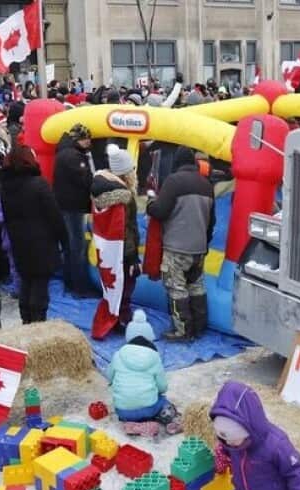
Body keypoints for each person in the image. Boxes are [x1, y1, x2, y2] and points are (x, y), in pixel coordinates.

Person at [146, 146, 214, 340]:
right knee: (196, 286)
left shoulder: (173, 182)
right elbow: (212, 221)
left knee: (176, 287)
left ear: (177, 163)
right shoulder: (206, 185)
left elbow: (160, 210)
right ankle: (200, 326)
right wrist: (205, 243)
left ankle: (183, 330)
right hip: (198, 248)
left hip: (177, 246)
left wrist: (151, 203)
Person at [0, 145, 61, 323]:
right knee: (40, 285)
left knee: (26, 281)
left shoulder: (5, 188)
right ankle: (37, 323)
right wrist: (62, 239)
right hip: (41, 243)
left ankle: (26, 320)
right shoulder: (39, 185)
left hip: (18, 243)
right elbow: (54, 215)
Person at [91, 144, 142, 337]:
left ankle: (112, 316)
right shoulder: (124, 198)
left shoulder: (100, 191)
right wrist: (133, 258)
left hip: (106, 252)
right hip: (122, 252)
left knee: (111, 288)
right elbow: (127, 230)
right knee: (126, 286)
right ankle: (122, 320)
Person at [108, 309, 180, 436]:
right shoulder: (154, 357)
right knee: (163, 402)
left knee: (127, 403)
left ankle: (131, 424)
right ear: (150, 338)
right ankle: (169, 422)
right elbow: (162, 386)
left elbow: (109, 377)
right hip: (149, 409)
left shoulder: (118, 355)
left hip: (123, 411)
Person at [52, 124, 98, 297]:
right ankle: (80, 288)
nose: (89, 142)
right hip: (73, 207)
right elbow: (86, 180)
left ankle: (70, 283)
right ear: (79, 139)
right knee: (76, 248)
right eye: (87, 139)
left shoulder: (63, 152)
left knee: (69, 247)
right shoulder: (74, 157)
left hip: (65, 206)